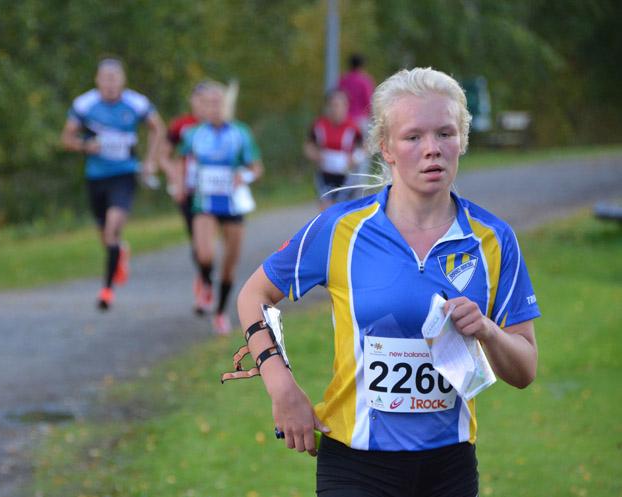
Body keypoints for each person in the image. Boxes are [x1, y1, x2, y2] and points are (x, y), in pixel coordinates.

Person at [236, 67, 539, 496]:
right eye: (413, 137)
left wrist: (488, 331)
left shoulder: (493, 239)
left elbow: (525, 369)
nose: (432, 149)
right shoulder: (341, 229)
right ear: (386, 147)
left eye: (445, 133)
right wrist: (281, 386)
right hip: (355, 464)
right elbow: (254, 295)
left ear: (462, 141)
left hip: (449, 467)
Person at [61, 57, 165, 310]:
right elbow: (66, 139)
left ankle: (106, 291)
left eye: (114, 78)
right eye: (105, 79)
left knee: (112, 228)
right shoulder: (85, 104)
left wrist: (150, 160)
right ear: (97, 80)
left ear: (123, 80)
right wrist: (85, 146)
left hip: (125, 174)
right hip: (96, 176)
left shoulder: (136, 103)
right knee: (105, 236)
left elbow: (158, 128)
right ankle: (120, 251)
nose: (110, 84)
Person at [179, 81, 264, 335]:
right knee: (204, 254)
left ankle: (220, 312)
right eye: (208, 103)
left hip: (233, 204)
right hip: (204, 203)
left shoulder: (240, 133)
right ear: (202, 107)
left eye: (218, 103)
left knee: (229, 264)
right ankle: (206, 283)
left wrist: (244, 176)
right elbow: (181, 159)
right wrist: (181, 182)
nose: (214, 108)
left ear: (227, 106)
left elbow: (256, 167)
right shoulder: (193, 134)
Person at [161, 83, 207, 313]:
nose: (204, 105)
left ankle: (208, 282)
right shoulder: (182, 126)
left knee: (211, 243)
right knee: (198, 242)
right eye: (199, 99)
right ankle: (204, 282)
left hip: (217, 194)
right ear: (192, 101)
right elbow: (164, 155)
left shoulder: (225, 126)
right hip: (190, 192)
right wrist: (175, 178)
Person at [304, 89, 365, 211]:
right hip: (325, 174)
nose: (335, 109)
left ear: (346, 107)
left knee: (342, 210)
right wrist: (315, 155)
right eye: (332, 105)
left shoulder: (353, 127)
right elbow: (308, 145)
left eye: (339, 105)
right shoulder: (319, 125)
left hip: (345, 175)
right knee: (326, 209)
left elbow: (364, 147)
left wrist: (354, 158)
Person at [338, 53, 376, 131]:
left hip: (345, 118)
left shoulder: (343, 79)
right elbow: (368, 101)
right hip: (361, 119)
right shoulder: (365, 80)